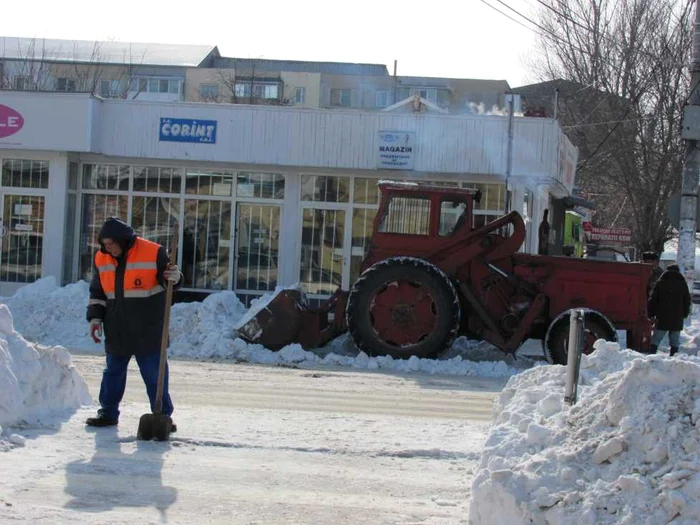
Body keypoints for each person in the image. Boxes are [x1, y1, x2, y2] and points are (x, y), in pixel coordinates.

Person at [85, 217, 183, 428]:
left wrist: (176, 277)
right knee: (112, 373)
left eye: (111, 243)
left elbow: (170, 280)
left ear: (122, 239)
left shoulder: (153, 252)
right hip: (117, 327)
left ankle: (163, 415)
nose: (108, 248)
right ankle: (108, 413)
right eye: (105, 244)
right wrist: (95, 318)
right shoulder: (102, 258)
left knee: (154, 375)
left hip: (148, 328)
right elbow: (97, 292)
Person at [648, 264, 690, 356]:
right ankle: (673, 357)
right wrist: (685, 314)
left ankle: (651, 356)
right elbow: (687, 300)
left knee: (656, 338)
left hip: (662, 316)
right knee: (675, 340)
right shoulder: (682, 283)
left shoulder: (661, 282)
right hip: (677, 316)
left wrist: (650, 313)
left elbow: (654, 299)